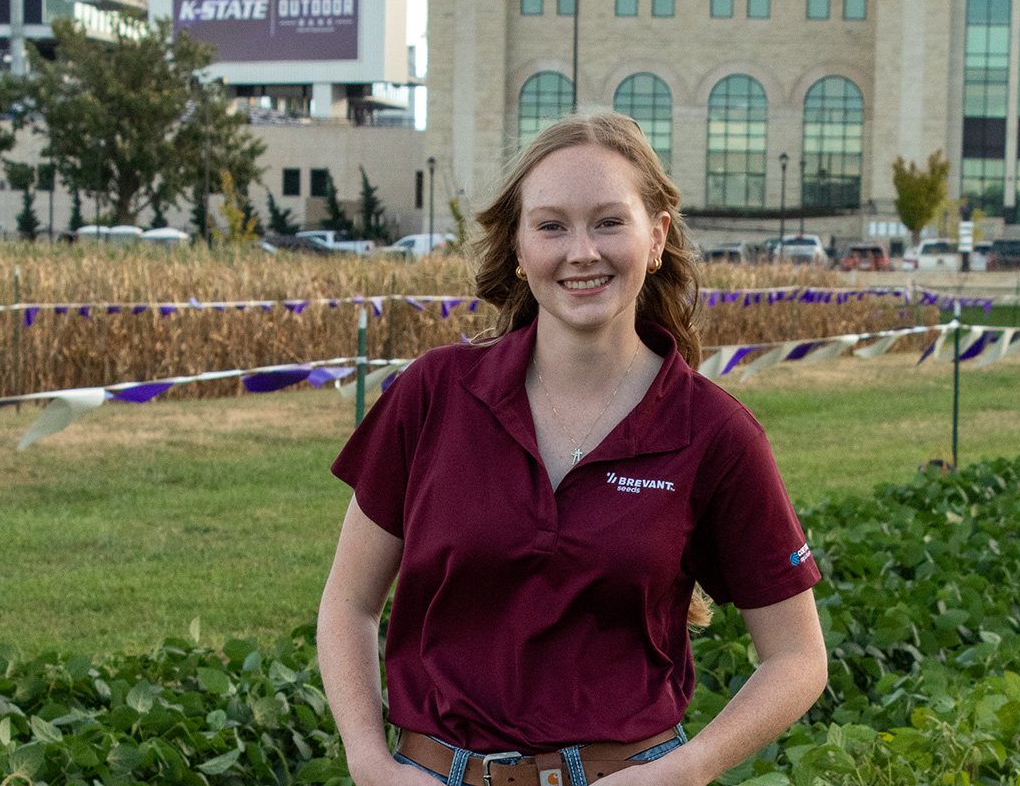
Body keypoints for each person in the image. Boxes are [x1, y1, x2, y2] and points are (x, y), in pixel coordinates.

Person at [316, 112, 827, 786]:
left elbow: (796, 657)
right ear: (521, 251)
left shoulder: (715, 433)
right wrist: (371, 764)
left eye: (610, 222)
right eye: (552, 226)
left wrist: (687, 768)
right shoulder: (433, 394)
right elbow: (348, 604)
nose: (581, 251)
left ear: (656, 238)